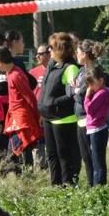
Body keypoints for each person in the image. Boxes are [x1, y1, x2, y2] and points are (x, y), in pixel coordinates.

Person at [38, 32, 82, 186]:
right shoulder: (52, 66)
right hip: (50, 118)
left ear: (60, 49)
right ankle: (55, 184)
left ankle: (68, 184)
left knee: (64, 155)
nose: (49, 50)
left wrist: (53, 103)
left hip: (64, 119)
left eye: (51, 47)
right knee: (51, 154)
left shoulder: (70, 68)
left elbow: (74, 94)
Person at [73, 39, 109, 187]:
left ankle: (98, 187)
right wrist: (75, 90)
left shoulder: (95, 73)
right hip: (81, 118)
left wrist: (76, 90)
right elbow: (70, 89)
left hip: (93, 120)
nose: (76, 55)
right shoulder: (81, 71)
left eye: (78, 52)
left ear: (84, 54)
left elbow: (80, 95)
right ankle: (91, 185)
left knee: (96, 157)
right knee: (86, 157)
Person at [0, 46, 43, 170]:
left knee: (21, 147)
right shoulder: (10, 73)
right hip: (15, 116)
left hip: (21, 118)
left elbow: (29, 96)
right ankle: (21, 177)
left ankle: (26, 177)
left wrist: (36, 115)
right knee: (17, 149)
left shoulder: (16, 75)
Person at [83, 69, 109, 186]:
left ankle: (99, 186)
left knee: (98, 160)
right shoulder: (103, 92)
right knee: (96, 158)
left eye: (92, 83)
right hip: (96, 128)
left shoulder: (102, 93)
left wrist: (87, 96)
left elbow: (89, 109)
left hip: (98, 129)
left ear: (101, 81)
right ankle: (98, 184)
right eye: (88, 84)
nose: (90, 87)